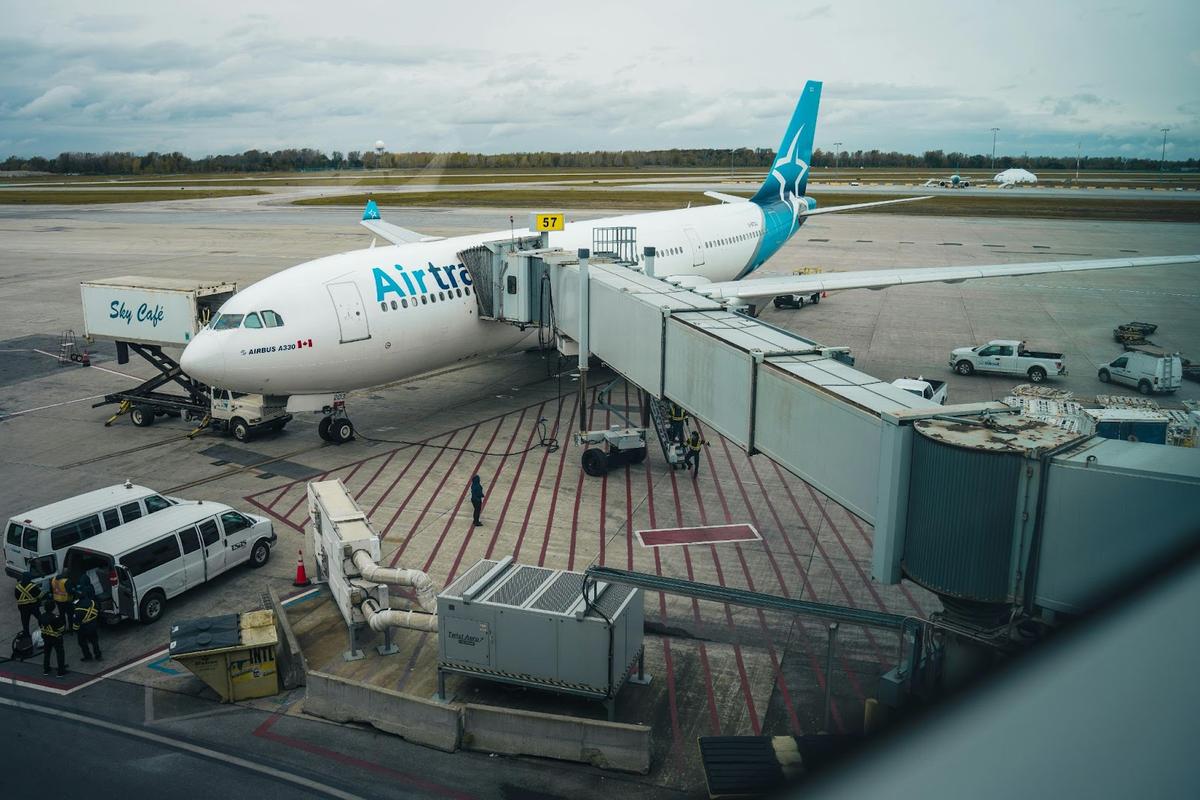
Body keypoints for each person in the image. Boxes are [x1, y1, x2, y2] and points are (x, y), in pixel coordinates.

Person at [72, 585, 102, 662]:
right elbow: (98, 610)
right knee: (94, 641)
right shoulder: (92, 602)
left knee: (82, 643)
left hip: (83, 629)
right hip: (93, 625)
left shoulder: (78, 610)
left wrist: (75, 630)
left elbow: (76, 624)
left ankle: (88, 656)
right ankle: (98, 655)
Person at [38, 600, 68, 677]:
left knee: (47, 653)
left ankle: (46, 669)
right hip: (56, 638)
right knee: (60, 653)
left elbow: (41, 626)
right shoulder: (55, 618)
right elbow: (61, 629)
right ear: (53, 608)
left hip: (46, 637)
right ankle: (61, 671)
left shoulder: (41, 616)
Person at [14, 571, 44, 636]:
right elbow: (40, 595)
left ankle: (26, 634)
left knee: (25, 621)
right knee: (40, 618)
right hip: (33, 606)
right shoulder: (33, 586)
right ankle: (43, 629)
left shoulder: (17, 587)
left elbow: (16, 596)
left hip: (23, 608)